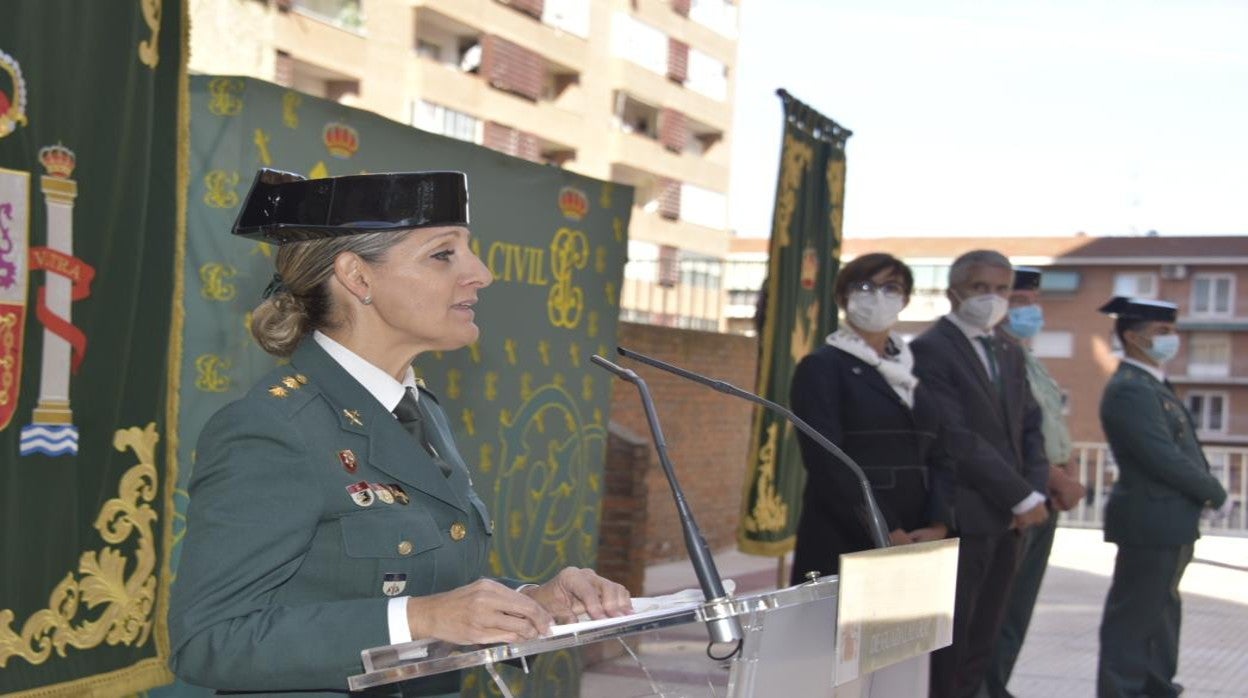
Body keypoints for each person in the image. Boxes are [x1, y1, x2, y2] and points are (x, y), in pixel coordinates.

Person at [168, 169, 632, 697]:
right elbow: (207, 639)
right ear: (357, 277)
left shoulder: (416, 410)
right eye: (443, 254)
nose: (480, 273)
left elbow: (425, 590)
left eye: (468, 251)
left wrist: (530, 599)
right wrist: (420, 618)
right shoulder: (273, 429)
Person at [910, 250, 1050, 698]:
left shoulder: (1007, 348)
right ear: (954, 291)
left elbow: (1030, 425)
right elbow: (956, 436)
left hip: (1010, 522)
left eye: (1002, 289)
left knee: (984, 641)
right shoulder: (930, 349)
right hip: (964, 515)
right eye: (980, 288)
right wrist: (1021, 497)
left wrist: (1034, 492)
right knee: (950, 643)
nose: (993, 298)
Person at [788, 253, 952, 584]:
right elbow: (828, 461)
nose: (878, 296)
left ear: (905, 300)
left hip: (920, 533)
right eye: (864, 286)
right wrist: (884, 527)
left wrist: (939, 521)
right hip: (849, 533)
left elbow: (941, 450)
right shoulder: (822, 367)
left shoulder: (915, 370)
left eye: (891, 288)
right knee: (841, 634)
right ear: (842, 297)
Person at [1095, 296, 1229, 698]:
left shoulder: (1152, 383)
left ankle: (1155, 689)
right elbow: (1162, 456)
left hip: (1169, 519)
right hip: (1149, 519)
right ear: (1133, 337)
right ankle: (1123, 691)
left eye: (1173, 331)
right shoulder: (1130, 389)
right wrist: (1215, 492)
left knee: (1160, 617)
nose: (1172, 339)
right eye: (1162, 332)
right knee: (1134, 619)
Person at [982, 267, 1087, 698]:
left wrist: (1067, 465)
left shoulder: (1027, 358)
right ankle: (983, 687)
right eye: (1021, 302)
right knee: (996, 607)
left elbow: (1047, 424)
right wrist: (1054, 474)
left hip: (1046, 490)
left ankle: (998, 685)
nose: (1031, 311)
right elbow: (998, 434)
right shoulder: (991, 357)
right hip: (1017, 494)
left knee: (1018, 608)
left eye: (1033, 302)